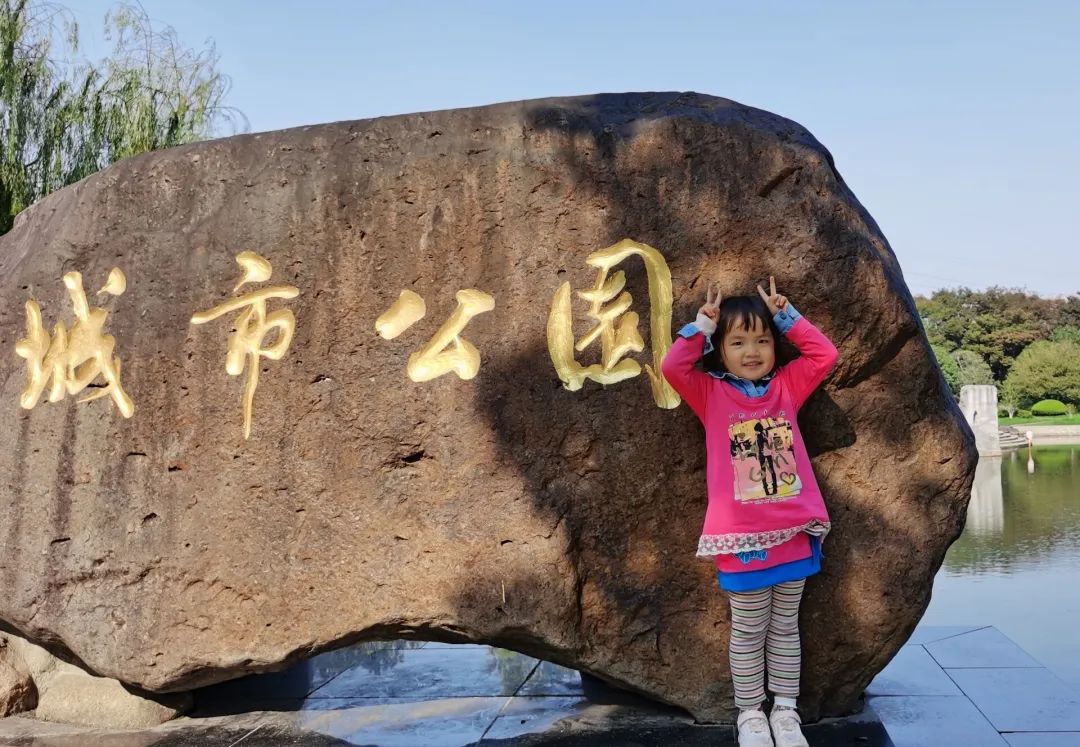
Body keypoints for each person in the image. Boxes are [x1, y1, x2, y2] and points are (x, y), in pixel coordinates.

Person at [661, 277, 839, 747]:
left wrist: (787, 317)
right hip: (740, 537)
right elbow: (673, 366)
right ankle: (750, 714)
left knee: (785, 625)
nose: (753, 350)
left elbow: (824, 355)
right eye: (738, 342)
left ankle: (785, 711)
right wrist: (701, 326)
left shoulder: (787, 387)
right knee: (748, 626)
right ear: (720, 351)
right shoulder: (711, 394)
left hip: (794, 530)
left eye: (762, 340)